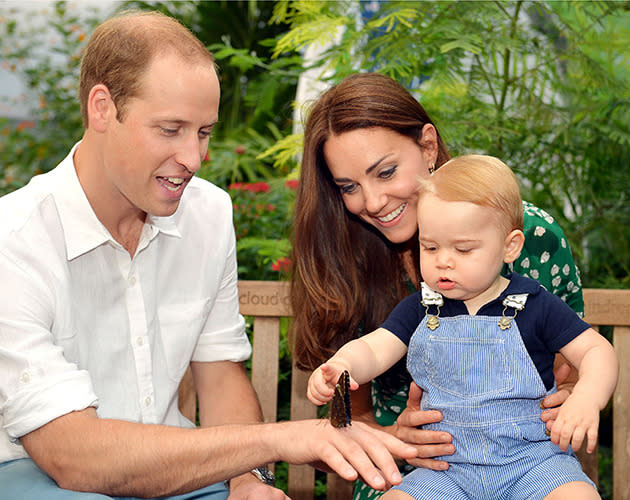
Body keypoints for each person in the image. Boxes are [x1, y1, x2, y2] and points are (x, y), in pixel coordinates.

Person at [0, 12, 418, 500]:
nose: (194, 159)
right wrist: (276, 440)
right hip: (38, 479)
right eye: (171, 129)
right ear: (102, 108)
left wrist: (250, 480)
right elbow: (72, 457)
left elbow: (220, 376)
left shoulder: (207, 213)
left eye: (203, 133)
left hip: (183, 478)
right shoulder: (14, 240)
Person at [290, 72, 586, 499]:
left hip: (526, 462)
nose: (372, 202)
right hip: (415, 473)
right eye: (349, 187)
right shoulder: (345, 259)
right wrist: (394, 437)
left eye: (386, 172)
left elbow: (576, 364)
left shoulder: (526, 235)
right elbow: (344, 426)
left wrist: (575, 394)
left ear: (428, 146)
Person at [307, 154, 618, 499]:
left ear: (509, 246)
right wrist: (344, 365)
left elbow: (596, 350)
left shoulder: (536, 304)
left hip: (534, 462)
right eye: (431, 246)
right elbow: (374, 347)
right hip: (447, 469)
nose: (443, 260)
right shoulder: (421, 309)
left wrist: (587, 397)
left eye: (463, 248)